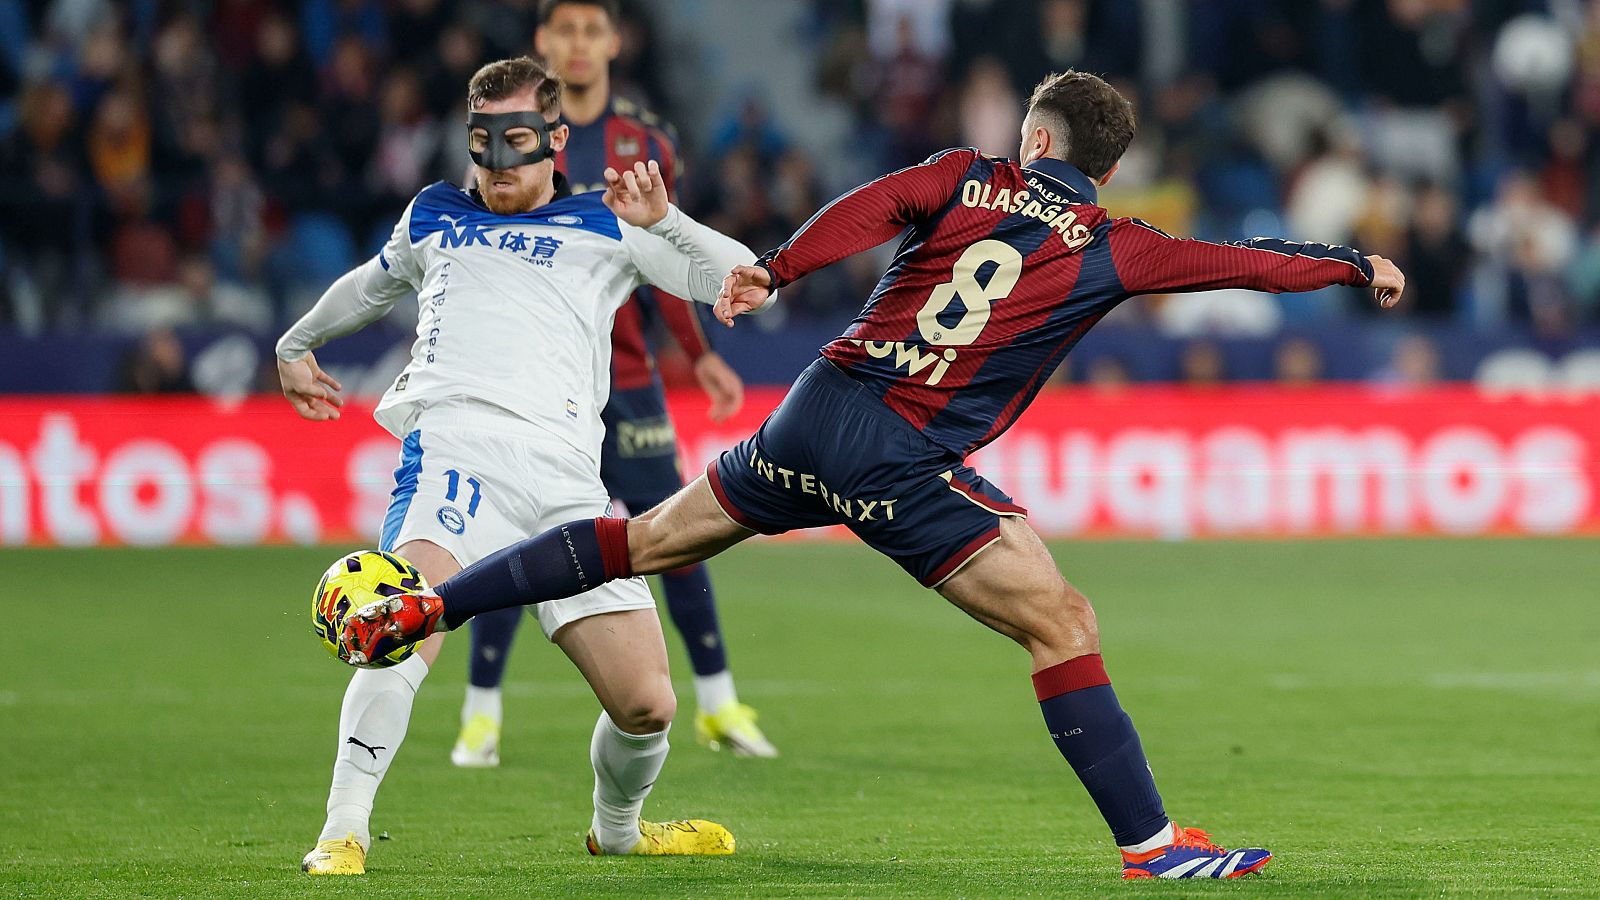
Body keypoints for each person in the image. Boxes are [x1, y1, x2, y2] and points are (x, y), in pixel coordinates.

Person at [340, 70, 1406, 880]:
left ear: (1032, 138)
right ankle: (1153, 845)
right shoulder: (1113, 241)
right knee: (1061, 622)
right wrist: (1353, 263)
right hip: (896, 453)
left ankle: (428, 603)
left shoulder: (961, 174)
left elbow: (865, 209)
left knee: (650, 540)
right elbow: (1244, 260)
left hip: (815, 410)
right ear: (1104, 166)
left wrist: (781, 267)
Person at [282, 56, 757, 875]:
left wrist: (667, 219)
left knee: (648, 704)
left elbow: (749, 280)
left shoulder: (608, 224)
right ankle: (343, 831)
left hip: (572, 482)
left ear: (556, 138)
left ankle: (619, 829)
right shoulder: (434, 214)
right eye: (483, 143)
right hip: (457, 451)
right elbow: (369, 286)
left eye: (517, 142)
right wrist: (296, 343)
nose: (499, 165)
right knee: (402, 623)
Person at [453, 0, 775, 772]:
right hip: (541, 380)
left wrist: (695, 353)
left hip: (627, 378)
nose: (578, 44)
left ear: (614, 42)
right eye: (564, 31)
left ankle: (720, 702)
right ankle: (480, 714)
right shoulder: (508, 129)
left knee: (678, 536)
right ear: (542, 42)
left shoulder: (644, 141)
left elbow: (663, 255)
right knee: (515, 541)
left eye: (591, 31)